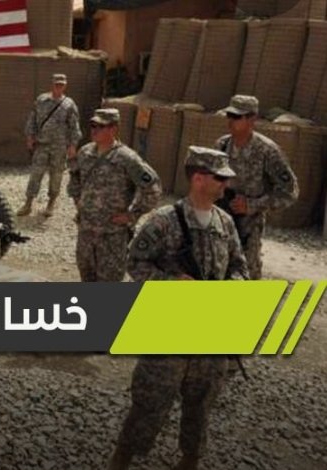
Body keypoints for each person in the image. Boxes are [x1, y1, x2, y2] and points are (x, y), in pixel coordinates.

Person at [109, 146, 249, 470]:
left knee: (201, 403)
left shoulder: (225, 223)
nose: (225, 185)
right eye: (219, 178)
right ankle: (122, 457)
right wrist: (171, 283)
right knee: (150, 400)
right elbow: (135, 262)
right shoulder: (164, 221)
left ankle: (190, 459)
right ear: (199, 178)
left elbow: (240, 266)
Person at [67, 108, 161, 282]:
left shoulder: (127, 158)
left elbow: (152, 189)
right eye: (93, 125)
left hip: (112, 237)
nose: (94, 130)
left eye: (100, 126)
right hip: (86, 233)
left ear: (114, 129)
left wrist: (132, 215)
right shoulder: (85, 153)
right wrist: (77, 200)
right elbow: (74, 176)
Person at [215, 94, 298, 280]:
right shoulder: (222, 145)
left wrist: (252, 205)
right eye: (229, 115)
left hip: (248, 227)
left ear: (252, 119)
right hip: (220, 222)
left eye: (237, 116)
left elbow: (290, 192)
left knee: (247, 275)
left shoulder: (267, 151)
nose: (230, 121)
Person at [19, 73, 82, 217]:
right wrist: (30, 136)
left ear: (65, 86)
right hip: (42, 144)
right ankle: (28, 204)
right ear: (52, 84)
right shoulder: (41, 100)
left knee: (56, 175)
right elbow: (32, 119)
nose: (59, 86)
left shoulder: (69, 104)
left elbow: (74, 126)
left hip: (59, 147)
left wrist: (73, 145)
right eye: (56, 84)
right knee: (36, 174)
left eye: (61, 84)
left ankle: (51, 204)